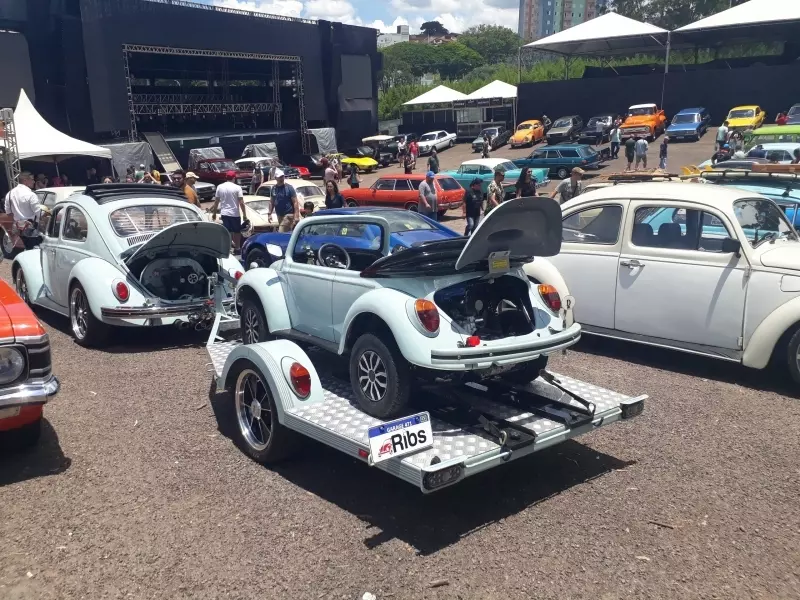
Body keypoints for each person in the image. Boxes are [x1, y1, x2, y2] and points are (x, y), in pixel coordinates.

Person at [4, 172, 44, 250]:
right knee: (36, 250)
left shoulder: (9, 194)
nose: (34, 182)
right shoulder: (31, 195)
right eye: (32, 179)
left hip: (19, 229)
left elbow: (8, 213)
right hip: (32, 229)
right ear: (25, 180)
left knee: (27, 248)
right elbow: (40, 214)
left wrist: (19, 221)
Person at [210, 170, 247, 252]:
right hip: (234, 213)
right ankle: (237, 247)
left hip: (224, 213)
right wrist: (244, 214)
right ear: (234, 178)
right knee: (237, 231)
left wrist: (214, 213)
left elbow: (216, 201)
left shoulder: (220, 187)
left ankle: (229, 248)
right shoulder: (237, 187)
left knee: (228, 231)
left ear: (226, 178)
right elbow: (241, 202)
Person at [267, 169, 300, 233]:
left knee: (281, 232)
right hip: (279, 215)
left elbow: (295, 202)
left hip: (288, 214)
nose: (281, 178)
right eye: (280, 177)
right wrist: (269, 214)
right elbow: (272, 202)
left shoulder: (289, 188)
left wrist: (296, 216)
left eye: (282, 176)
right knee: (286, 234)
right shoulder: (274, 188)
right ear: (276, 178)